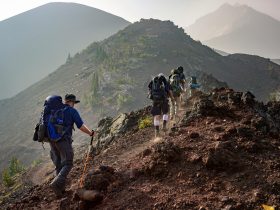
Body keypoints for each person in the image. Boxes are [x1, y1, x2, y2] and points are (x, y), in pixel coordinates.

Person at [49, 94, 94, 197]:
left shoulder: (55, 110)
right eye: (74, 103)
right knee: (68, 163)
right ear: (72, 102)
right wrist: (90, 133)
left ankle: (60, 191)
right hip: (63, 140)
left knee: (59, 164)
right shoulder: (71, 111)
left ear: (65, 101)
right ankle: (56, 184)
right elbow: (80, 126)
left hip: (52, 141)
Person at [148, 73, 174, 137]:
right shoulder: (164, 82)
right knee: (165, 113)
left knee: (156, 116)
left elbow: (149, 91)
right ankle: (164, 126)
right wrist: (172, 98)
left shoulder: (153, 82)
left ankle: (156, 132)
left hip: (155, 101)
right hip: (163, 100)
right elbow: (169, 91)